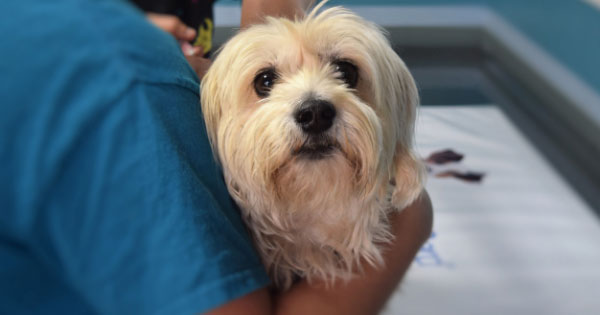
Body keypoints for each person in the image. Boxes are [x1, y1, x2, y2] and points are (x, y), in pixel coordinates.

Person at [0, 0, 433, 314]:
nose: (315, 103)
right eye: (266, 82)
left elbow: (272, 25)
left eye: (346, 72)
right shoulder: (126, 81)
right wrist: (412, 220)